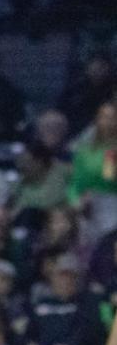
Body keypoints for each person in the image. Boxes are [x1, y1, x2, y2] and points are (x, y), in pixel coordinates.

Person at [25, 254, 106, 345]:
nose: (66, 281)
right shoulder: (41, 305)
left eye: (71, 277)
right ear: (52, 278)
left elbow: (88, 330)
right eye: (62, 276)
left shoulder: (87, 303)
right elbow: (29, 335)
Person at [67, 98, 117, 240]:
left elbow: (109, 177)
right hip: (87, 213)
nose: (108, 123)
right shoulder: (84, 152)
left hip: (111, 206)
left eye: (112, 119)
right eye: (104, 118)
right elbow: (74, 185)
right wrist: (77, 202)